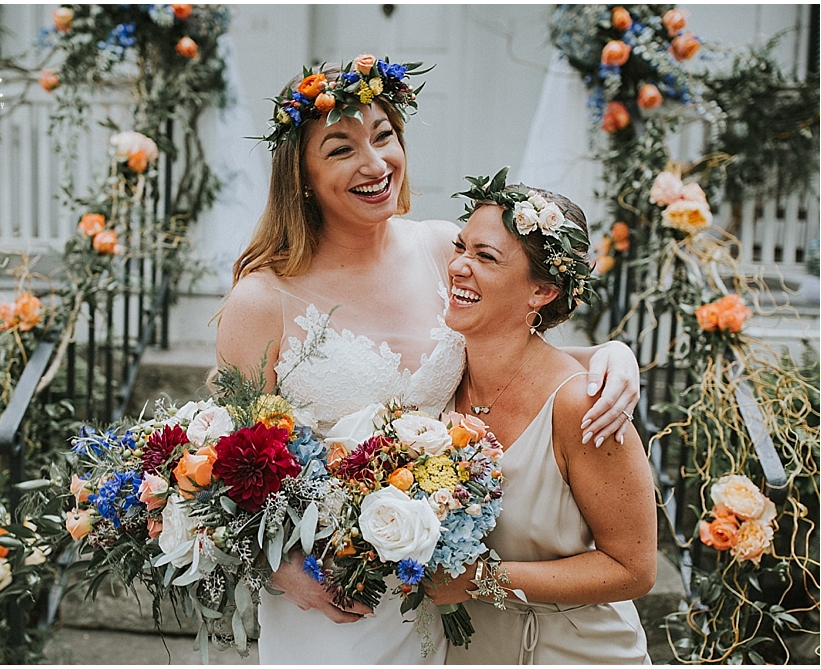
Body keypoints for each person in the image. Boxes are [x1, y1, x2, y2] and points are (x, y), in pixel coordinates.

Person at [216, 57, 642, 665]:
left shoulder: (444, 247)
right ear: (302, 176)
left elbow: (511, 351)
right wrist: (285, 572)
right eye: (341, 149)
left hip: (445, 597)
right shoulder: (263, 299)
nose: (375, 163)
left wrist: (610, 354)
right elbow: (231, 466)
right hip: (335, 598)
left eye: (384, 136)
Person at [425, 174, 656, 664]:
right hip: (470, 651)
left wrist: (480, 581)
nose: (458, 266)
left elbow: (634, 568)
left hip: (573, 651)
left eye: (485, 257)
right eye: (460, 246)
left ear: (542, 292)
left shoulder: (582, 405)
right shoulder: (439, 379)